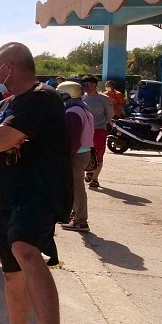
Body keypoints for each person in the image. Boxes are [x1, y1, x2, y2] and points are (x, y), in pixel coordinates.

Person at [0, 42, 72, 324]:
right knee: (12, 272)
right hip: (4, 196)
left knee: (24, 247)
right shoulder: (3, 106)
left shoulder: (43, 98)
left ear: (10, 67)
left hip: (37, 193)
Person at [58, 82, 95, 232]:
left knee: (76, 187)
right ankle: (75, 215)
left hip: (77, 154)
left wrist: (65, 156)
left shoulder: (72, 112)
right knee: (74, 186)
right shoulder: (82, 109)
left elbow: (73, 139)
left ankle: (80, 220)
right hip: (83, 152)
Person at [81, 75, 114, 190]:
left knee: (99, 155)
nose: (86, 87)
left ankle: (95, 179)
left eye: (88, 85)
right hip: (85, 130)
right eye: (84, 85)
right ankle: (89, 171)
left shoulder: (104, 99)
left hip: (100, 130)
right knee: (85, 153)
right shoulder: (81, 99)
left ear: (94, 85)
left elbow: (110, 115)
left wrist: (102, 123)